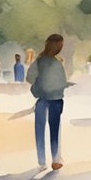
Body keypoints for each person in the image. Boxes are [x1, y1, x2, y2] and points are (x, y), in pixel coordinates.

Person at [31, 34, 71, 171]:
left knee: (39, 130)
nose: (61, 47)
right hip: (55, 99)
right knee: (54, 130)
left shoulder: (39, 60)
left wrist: (39, 84)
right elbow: (61, 82)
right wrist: (64, 85)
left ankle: (42, 161)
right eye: (60, 45)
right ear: (56, 45)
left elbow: (29, 77)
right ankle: (55, 160)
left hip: (41, 99)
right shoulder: (57, 63)